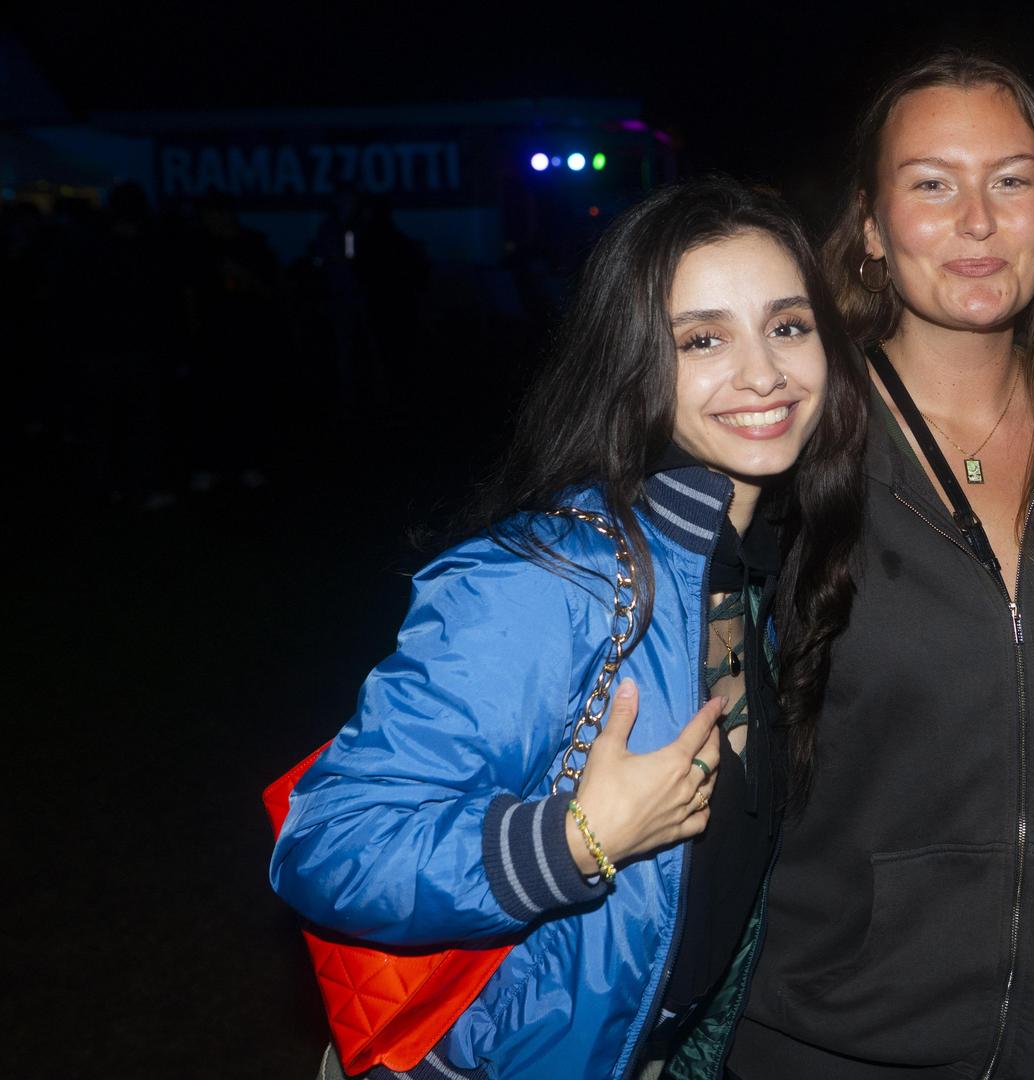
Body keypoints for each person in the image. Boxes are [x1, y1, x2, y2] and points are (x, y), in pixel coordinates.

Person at [269, 177, 868, 1080]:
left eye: (788, 326)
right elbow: (330, 842)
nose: (763, 373)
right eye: (703, 339)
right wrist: (574, 840)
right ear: (632, 362)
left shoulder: (756, 563)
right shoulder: (549, 577)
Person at [729, 52, 1034, 1079]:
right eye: (932, 183)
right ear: (870, 225)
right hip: (838, 1039)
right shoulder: (785, 449)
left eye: (1012, 180)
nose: (977, 221)